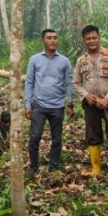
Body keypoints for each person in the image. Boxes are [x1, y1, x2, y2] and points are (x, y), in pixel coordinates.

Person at [73, 24, 108, 178]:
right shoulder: (81, 60)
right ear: (84, 41)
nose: (91, 41)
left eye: (94, 38)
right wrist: (85, 95)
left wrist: (107, 98)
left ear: (99, 38)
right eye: (88, 39)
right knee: (92, 134)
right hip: (91, 105)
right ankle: (96, 167)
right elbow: (76, 83)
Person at [24, 29, 74, 176]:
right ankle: (33, 166)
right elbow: (29, 82)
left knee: (57, 138)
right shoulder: (34, 59)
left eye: (55, 38)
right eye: (49, 38)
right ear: (43, 40)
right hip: (38, 104)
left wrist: (70, 103)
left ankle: (53, 166)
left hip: (57, 106)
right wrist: (27, 104)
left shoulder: (64, 61)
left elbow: (69, 83)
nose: (52, 40)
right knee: (34, 137)